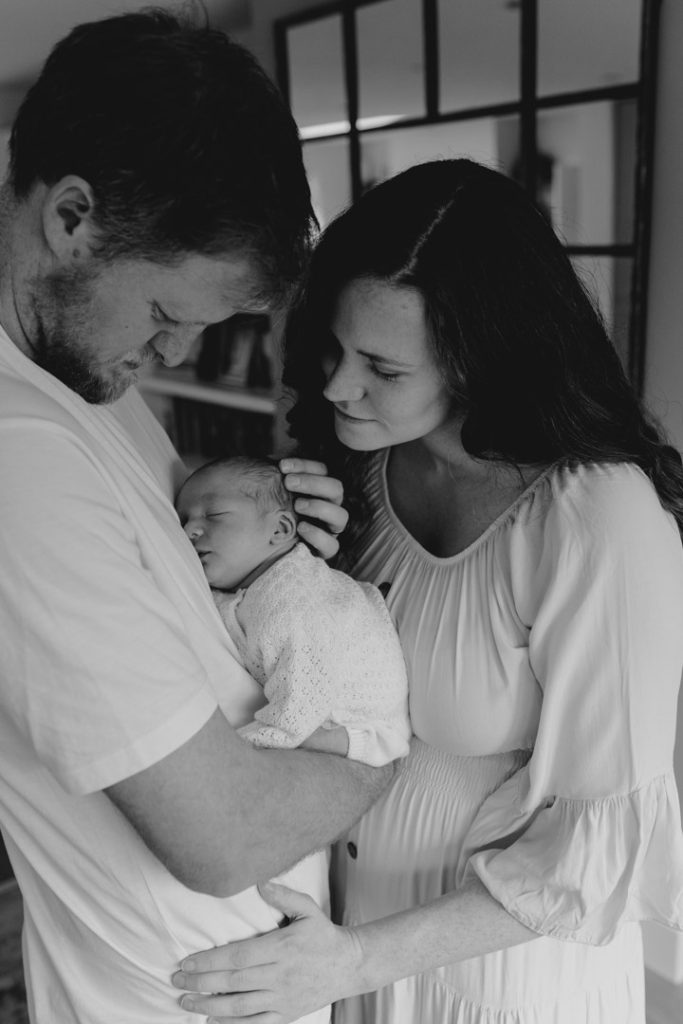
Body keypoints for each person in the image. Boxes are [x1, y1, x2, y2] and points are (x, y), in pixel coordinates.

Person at [172, 159, 683, 1024]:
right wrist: (289, 574)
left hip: (495, 987)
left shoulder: (595, 519)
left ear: (482, 359)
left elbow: (599, 851)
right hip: (343, 957)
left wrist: (360, 959)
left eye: (381, 366)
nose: (336, 386)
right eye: (333, 348)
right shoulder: (353, 472)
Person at [0, 11, 395, 1024]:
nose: (174, 358)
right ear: (72, 217)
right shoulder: (20, 451)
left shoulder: (74, 376)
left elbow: (174, 579)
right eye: (168, 318)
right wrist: (379, 745)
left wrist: (260, 540)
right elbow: (221, 834)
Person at [175, 455, 410, 763]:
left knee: (309, 737)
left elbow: (302, 704)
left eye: (214, 515)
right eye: (182, 520)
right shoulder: (256, 581)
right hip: (325, 712)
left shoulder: (291, 601)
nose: (190, 529)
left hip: (364, 726)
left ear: (281, 529)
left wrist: (240, 748)